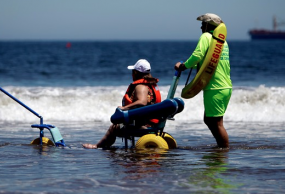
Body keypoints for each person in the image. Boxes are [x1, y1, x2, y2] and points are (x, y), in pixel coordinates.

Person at [175, 13, 232, 148]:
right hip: (225, 86)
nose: (201, 27)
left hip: (215, 87)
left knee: (216, 123)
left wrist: (183, 66)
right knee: (210, 120)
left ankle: (223, 151)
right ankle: (220, 148)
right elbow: (206, 61)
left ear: (207, 25)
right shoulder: (222, 42)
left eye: (202, 24)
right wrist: (191, 65)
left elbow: (197, 55)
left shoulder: (206, 37)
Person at [82, 59, 161, 149]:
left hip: (144, 126)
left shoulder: (141, 86)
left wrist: (124, 108)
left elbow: (142, 102)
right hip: (153, 124)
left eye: (133, 71)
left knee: (114, 128)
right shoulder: (151, 85)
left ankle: (98, 146)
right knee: (117, 126)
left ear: (135, 73)